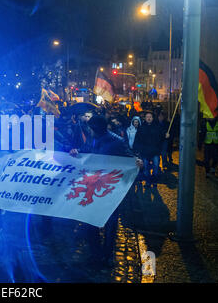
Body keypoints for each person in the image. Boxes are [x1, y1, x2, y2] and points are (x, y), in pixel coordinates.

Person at [69, 115, 143, 267]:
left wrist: (138, 163)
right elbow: (86, 151)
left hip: (110, 189)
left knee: (110, 223)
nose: (89, 130)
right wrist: (77, 152)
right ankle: (96, 254)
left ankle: (106, 255)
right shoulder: (92, 138)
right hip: (92, 185)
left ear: (96, 128)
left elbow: (129, 158)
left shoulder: (116, 141)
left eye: (91, 128)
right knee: (90, 221)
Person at [134, 111, 164, 186]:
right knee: (146, 168)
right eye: (147, 117)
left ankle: (154, 180)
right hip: (145, 152)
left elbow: (161, 137)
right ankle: (148, 181)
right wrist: (137, 149)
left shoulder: (157, 127)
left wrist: (165, 136)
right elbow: (137, 139)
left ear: (153, 118)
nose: (149, 118)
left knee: (156, 167)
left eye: (150, 117)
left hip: (155, 151)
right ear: (145, 118)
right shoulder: (141, 128)